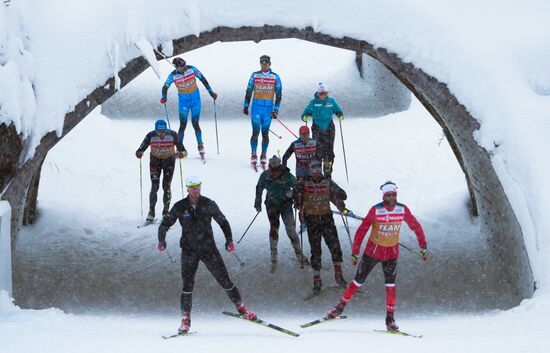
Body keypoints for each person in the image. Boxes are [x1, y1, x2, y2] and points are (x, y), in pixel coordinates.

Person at [157, 175, 256, 334]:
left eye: (198, 187)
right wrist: (161, 240)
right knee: (187, 284)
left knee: (224, 279)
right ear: (187, 189)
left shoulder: (208, 204)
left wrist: (229, 240)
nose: (196, 190)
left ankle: (242, 308)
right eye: (193, 187)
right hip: (189, 250)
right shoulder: (180, 206)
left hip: (208, 248)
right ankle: (185, 319)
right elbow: (165, 224)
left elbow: (223, 221)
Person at [326, 181, 428, 332]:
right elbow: (361, 231)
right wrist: (355, 252)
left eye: (394, 195)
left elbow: (415, 226)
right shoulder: (376, 210)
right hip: (372, 252)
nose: (391, 198)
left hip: (391, 253)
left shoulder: (402, 209)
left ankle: (390, 320)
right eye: (388, 195)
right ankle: (339, 308)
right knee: (357, 281)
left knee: (390, 286)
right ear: (383, 196)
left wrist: (423, 246)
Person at [295, 158, 350, 294]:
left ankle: (338, 275)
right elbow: (295, 196)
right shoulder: (304, 182)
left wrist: (338, 197)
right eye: (313, 169)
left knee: (335, 247)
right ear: (309, 170)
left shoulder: (327, 181)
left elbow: (342, 195)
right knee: (316, 251)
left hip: (326, 218)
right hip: (312, 219)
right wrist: (297, 197)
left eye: (318, 168)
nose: (316, 171)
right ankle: (317, 279)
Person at [255, 156, 309, 273]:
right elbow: (259, 187)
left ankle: (299, 253)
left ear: (280, 168)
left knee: (290, 229)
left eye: (276, 170)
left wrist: (295, 197)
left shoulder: (287, 176)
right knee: (274, 228)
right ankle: (273, 253)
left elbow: (298, 187)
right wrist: (257, 201)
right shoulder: (265, 175)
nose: (273, 173)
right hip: (271, 205)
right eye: (271, 170)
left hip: (286, 205)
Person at [160, 57, 217, 159]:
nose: (185, 67)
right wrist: (164, 97)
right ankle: (180, 147)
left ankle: (200, 145)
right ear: (177, 67)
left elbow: (203, 79)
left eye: (185, 64)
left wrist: (211, 92)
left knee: (195, 123)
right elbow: (165, 87)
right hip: (184, 103)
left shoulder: (192, 69)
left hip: (195, 100)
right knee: (182, 125)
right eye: (182, 66)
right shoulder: (173, 76)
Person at [136, 119, 187, 221]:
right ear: (156, 131)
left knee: (166, 186)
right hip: (155, 162)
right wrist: (139, 153)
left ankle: (166, 212)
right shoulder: (150, 135)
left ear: (166, 130)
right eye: (159, 132)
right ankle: (151, 212)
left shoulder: (173, 135)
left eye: (163, 132)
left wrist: (181, 154)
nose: (161, 135)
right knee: (154, 187)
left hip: (169, 162)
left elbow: (184, 151)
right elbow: (140, 149)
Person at [243, 55, 282, 169]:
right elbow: (249, 90)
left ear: (270, 64)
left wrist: (276, 109)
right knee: (255, 132)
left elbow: (279, 94)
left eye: (266, 64)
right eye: (262, 64)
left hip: (268, 108)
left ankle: (263, 154)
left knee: (265, 133)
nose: (264, 66)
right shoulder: (255, 75)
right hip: (256, 107)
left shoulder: (275, 77)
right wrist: (246, 105)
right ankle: (253, 153)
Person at [301, 83, 343, 177]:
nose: (323, 95)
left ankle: (328, 172)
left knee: (329, 151)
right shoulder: (313, 102)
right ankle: (317, 172)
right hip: (317, 127)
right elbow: (305, 112)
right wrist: (305, 116)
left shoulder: (331, 101)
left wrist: (340, 115)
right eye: (321, 93)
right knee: (318, 151)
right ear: (318, 93)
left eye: (325, 93)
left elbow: (338, 110)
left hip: (329, 127)